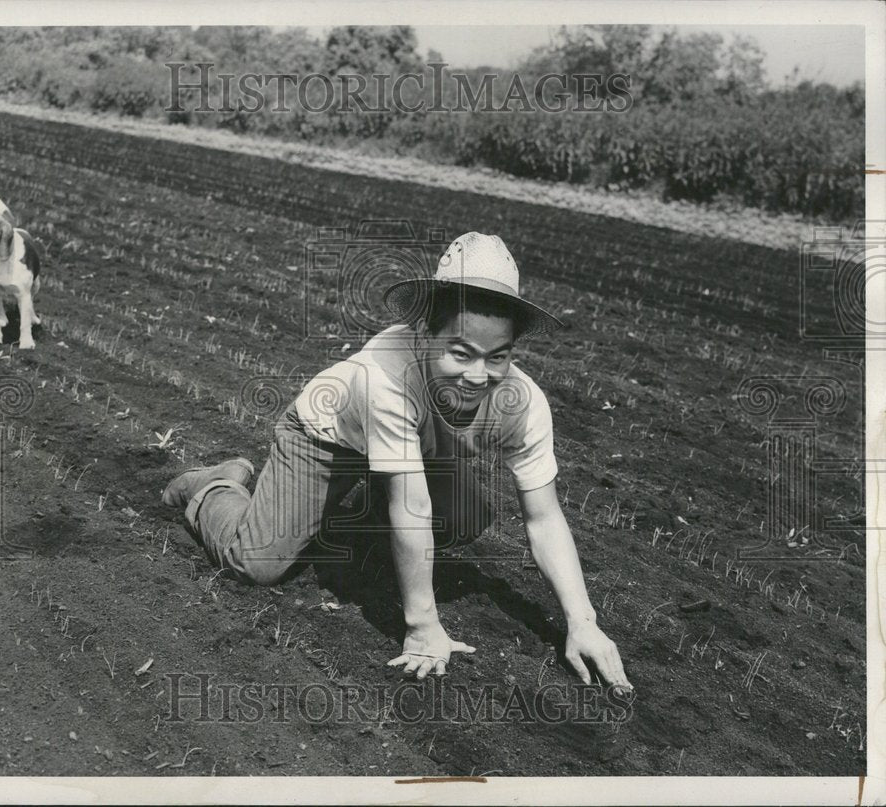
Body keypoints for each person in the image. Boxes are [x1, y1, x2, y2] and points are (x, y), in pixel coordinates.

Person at [162, 232, 632, 690]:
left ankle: (336, 512)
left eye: (497, 357)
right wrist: (423, 626)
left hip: (412, 448)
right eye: (461, 352)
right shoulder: (383, 375)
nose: (478, 375)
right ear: (426, 332)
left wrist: (582, 621)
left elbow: (545, 517)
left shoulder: (522, 401)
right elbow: (412, 507)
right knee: (257, 565)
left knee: (466, 518)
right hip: (327, 439)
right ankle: (216, 486)